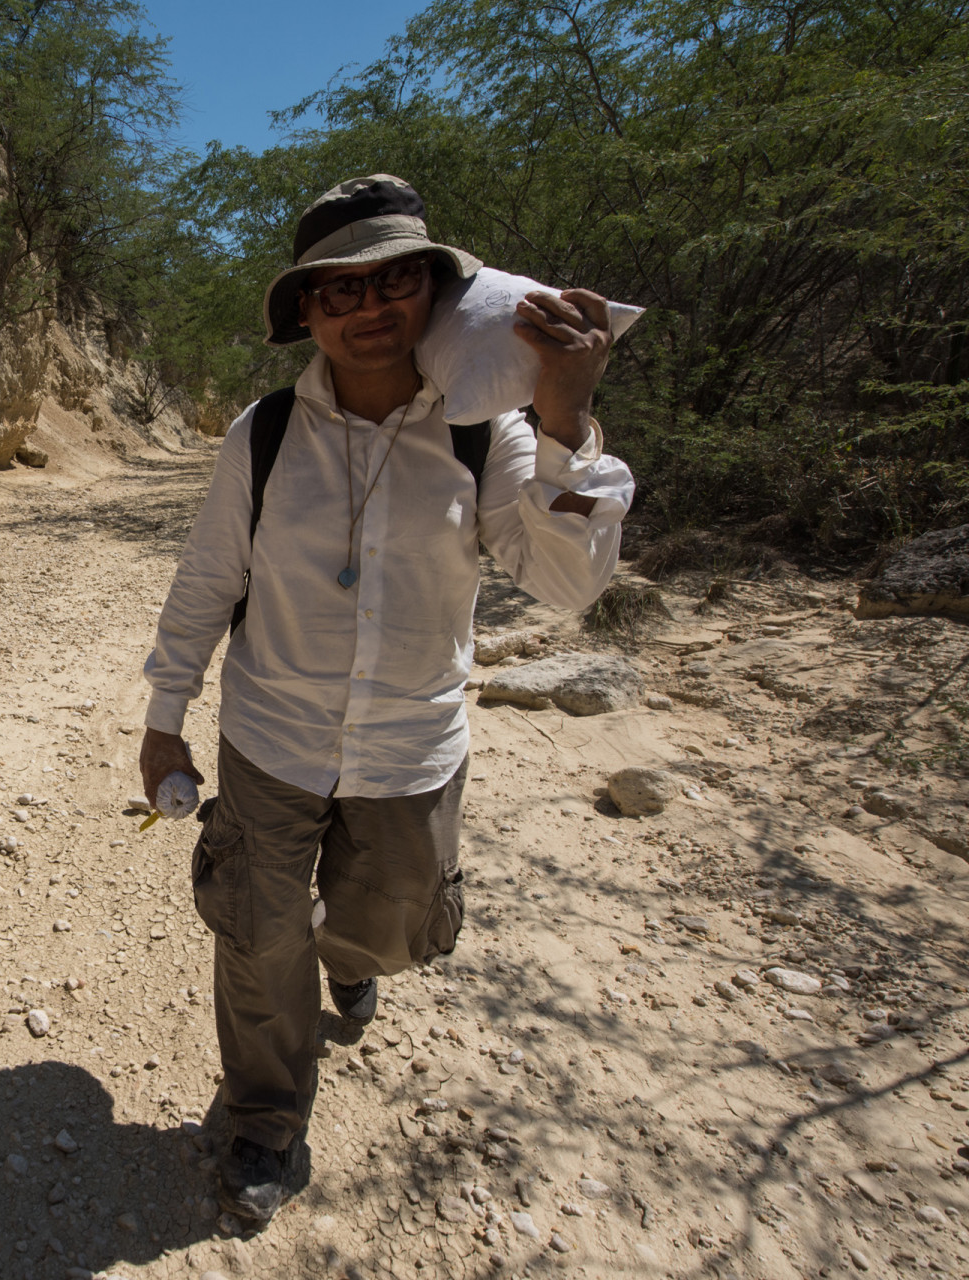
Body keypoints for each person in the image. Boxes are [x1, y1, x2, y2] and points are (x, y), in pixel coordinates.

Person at [138, 175, 635, 1225]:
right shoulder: (264, 436)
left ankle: (350, 960)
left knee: (389, 930)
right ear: (307, 313)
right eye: (337, 291)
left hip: (411, 750)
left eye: (392, 281)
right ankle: (266, 1114)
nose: (367, 310)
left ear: (434, 293)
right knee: (259, 937)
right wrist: (163, 718)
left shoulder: (484, 435)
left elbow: (568, 582)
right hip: (270, 739)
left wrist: (566, 417)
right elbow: (206, 583)